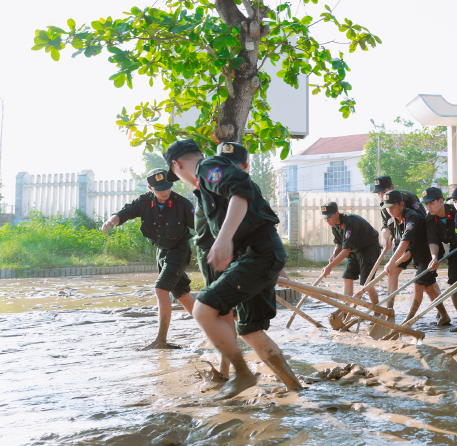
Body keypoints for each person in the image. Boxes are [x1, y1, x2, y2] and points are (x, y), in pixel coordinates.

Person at [164, 138, 302, 399]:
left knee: (201, 309)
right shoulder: (204, 185)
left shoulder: (208, 168)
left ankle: (242, 373)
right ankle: (295, 387)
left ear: (176, 165)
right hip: (255, 256)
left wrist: (224, 238)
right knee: (249, 329)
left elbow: (240, 193)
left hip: (257, 254)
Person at [101, 168, 195, 350]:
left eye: (168, 187)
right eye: (160, 189)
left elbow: (202, 225)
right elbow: (124, 213)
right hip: (162, 252)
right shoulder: (143, 202)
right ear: (151, 188)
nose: (166, 192)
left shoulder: (182, 204)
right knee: (183, 297)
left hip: (179, 251)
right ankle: (218, 324)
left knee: (161, 290)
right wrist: (110, 222)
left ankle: (161, 340)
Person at [381, 190, 451, 325]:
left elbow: (405, 241)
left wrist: (391, 261)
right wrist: (404, 254)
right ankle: (444, 316)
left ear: (401, 204)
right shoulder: (392, 222)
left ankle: (408, 320)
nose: (389, 210)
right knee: (429, 287)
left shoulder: (412, 217)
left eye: (392, 206)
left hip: (429, 254)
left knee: (418, 284)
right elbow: (400, 242)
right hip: (418, 256)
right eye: (387, 207)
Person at [421, 186, 457, 332]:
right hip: (455, 251)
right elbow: (433, 240)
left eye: (431, 203)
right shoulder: (429, 219)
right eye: (426, 204)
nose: (428, 207)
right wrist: (435, 257)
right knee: (453, 286)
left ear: (441, 201)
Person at [372, 175, 424, 305]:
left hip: (419, 241)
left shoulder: (408, 197)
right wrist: (385, 239)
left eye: (384, 192)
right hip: (401, 241)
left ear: (392, 188)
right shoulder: (384, 205)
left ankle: (442, 312)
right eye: (379, 193)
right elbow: (386, 226)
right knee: (392, 271)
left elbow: (422, 220)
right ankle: (389, 309)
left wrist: (411, 249)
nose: (382, 196)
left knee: (427, 283)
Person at [319, 201, 381, 304]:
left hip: (368, 248)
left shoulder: (350, 222)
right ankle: (347, 309)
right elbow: (339, 242)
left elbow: (346, 250)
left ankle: (377, 309)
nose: (327, 220)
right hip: (354, 249)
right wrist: (334, 255)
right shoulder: (334, 224)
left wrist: (329, 267)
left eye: (329, 217)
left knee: (367, 282)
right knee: (347, 277)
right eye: (325, 218)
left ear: (337, 213)